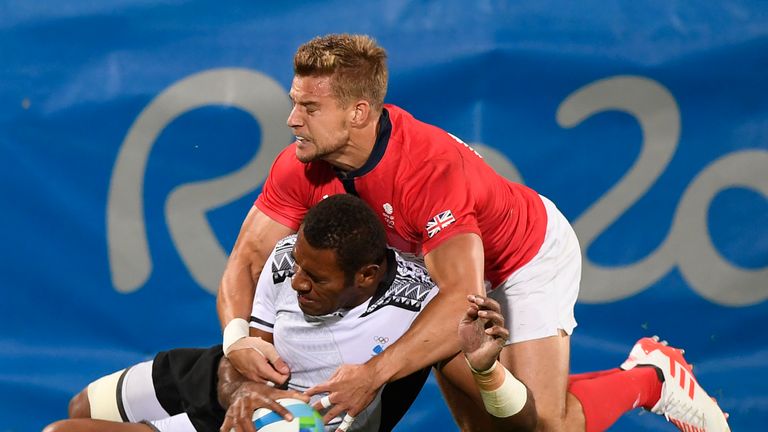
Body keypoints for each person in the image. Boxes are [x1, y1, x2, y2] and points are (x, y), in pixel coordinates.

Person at [216, 33, 730, 432]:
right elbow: (247, 259)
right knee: (488, 426)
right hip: (439, 273)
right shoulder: (301, 164)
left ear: (358, 112)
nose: (291, 120)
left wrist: (372, 375)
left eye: (309, 108)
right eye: (294, 102)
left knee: (545, 426)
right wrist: (237, 338)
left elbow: (461, 297)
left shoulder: (429, 170)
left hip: (521, 260)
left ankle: (650, 377)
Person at [44, 195, 536, 432]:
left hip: (290, 421)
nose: (296, 281)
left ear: (365, 276)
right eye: (298, 267)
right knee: (78, 413)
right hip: (229, 377)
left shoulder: (423, 309)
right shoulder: (288, 255)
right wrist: (243, 382)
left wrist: (487, 369)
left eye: (316, 280)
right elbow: (257, 348)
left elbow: (521, 422)